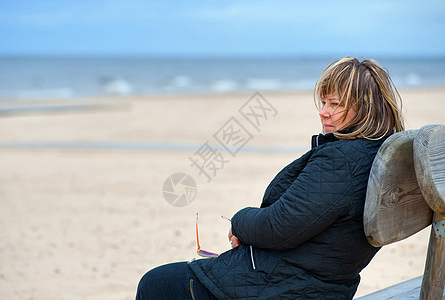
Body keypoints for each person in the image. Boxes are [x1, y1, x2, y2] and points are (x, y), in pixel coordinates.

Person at [135, 57, 405, 299]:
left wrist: (239, 222)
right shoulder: (375, 151)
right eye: (323, 102)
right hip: (320, 279)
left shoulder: (343, 161)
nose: (323, 111)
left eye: (335, 104)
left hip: (291, 285)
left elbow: (278, 227)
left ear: (367, 108)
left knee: (156, 284)